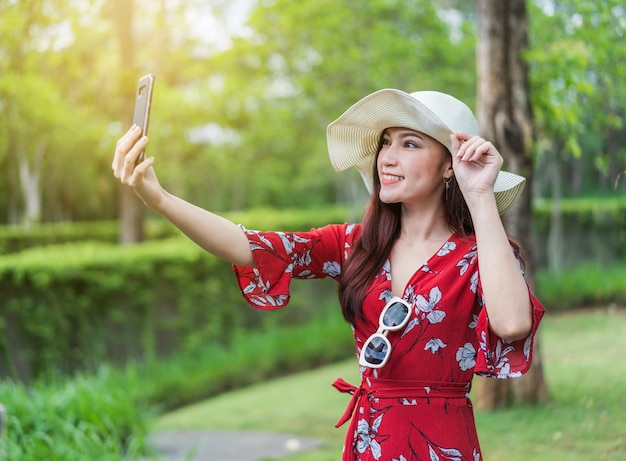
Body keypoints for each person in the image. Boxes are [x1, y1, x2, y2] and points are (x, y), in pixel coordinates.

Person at [112, 88, 544, 461]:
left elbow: (512, 324)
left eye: (410, 144)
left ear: (450, 164)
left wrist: (480, 194)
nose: (388, 158)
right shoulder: (356, 244)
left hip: (443, 445)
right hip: (370, 440)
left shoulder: (480, 255)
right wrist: (159, 198)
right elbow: (250, 246)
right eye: (386, 143)